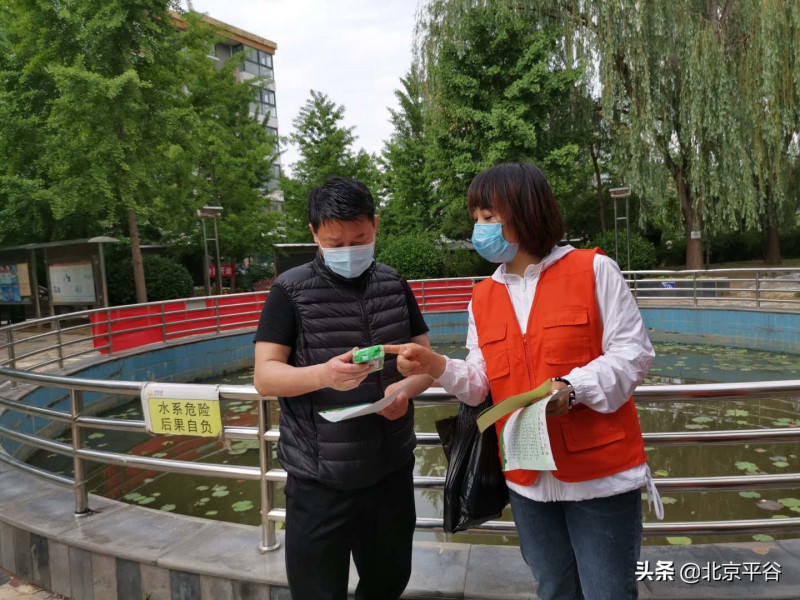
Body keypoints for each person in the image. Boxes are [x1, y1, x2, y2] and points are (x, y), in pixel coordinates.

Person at [384, 162, 662, 600]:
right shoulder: (482, 296)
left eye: (489, 216)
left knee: (608, 592)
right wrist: (435, 365)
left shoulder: (593, 270)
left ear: (527, 211)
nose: (479, 229)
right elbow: (481, 383)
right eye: (476, 218)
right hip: (525, 478)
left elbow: (633, 354)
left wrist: (574, 388)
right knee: (553, 589)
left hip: (599, 476)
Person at [253, 176, 433, 600]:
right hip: (319, 479)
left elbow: (427, 363)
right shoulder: (289, 290)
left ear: (375, 226)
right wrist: (324, 375)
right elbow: (265, 376)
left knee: (388, 582)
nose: (349, 250)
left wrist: (405, 391)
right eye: (335, 243)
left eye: (360, 238)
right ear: (314, 233)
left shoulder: (394, 283)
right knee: (317, 592)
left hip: (390, 471)